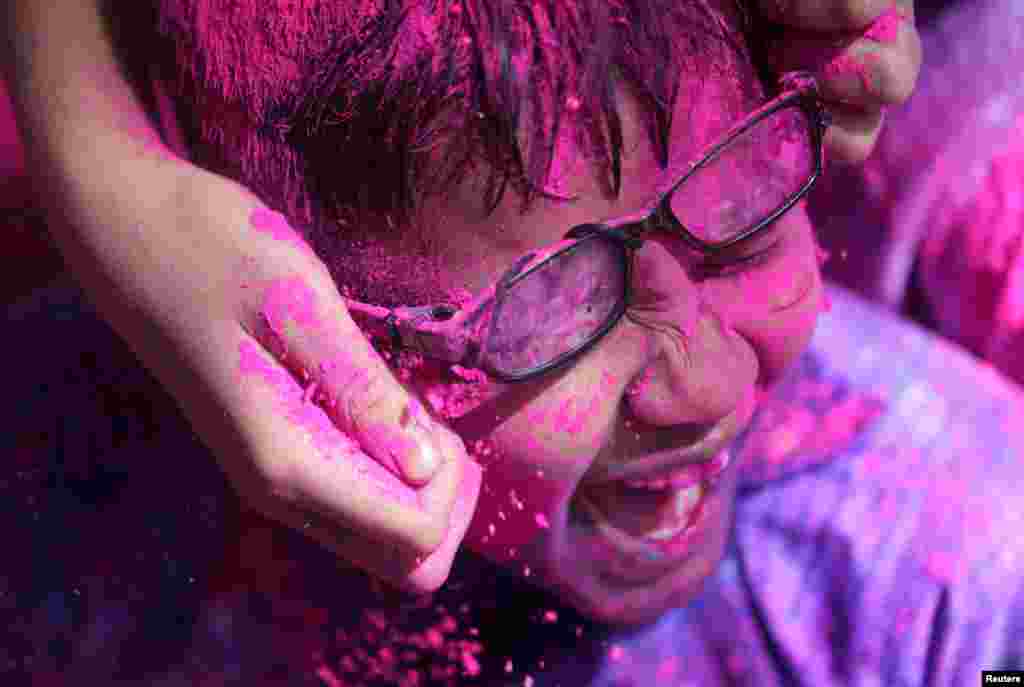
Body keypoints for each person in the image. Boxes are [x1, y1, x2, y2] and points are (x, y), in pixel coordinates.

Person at [8, 0, 1022, 685]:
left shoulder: (962, 585)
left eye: (743, 222)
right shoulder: (55, 493)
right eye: (552, 314)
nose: (701, 386)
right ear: (300, 327)